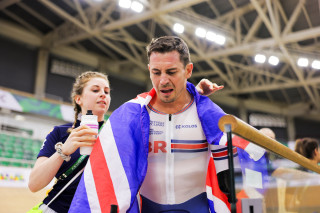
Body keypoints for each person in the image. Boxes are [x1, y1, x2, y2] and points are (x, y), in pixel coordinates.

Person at [69, 36, 241, 213]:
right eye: (156, 72)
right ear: (149, 70)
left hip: (198, 206)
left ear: (188, 70)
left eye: (171, 72)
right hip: (147, 207)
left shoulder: (208, 114)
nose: (163, 80)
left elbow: (240, 167)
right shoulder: (131, 114)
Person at [28, 70, 223, 213]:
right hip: (57, 208)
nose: (103, 94)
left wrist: (191, 94)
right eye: (95, 90)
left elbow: (159, 110)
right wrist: (65, 150)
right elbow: (35, 184)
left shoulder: (119, 129)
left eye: (106, 91)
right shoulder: (61, 133)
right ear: (78, 98)